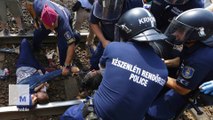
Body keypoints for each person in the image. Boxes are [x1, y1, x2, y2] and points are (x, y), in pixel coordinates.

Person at [61, 8, 168, 120]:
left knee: (69, 115)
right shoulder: (163, 71)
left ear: (127, 31)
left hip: (96, 115)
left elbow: (103, 70)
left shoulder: (114, 48)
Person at [145, 8, 213, 119]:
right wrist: (163, 63)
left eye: (182, 31)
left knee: (154, 113)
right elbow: (181, 60)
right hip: (190, 75)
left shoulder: (200, 59)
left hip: (192, 89)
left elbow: (182, 89)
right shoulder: (194, 43)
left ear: (197, 34)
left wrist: (156, 75)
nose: (175, 33)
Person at [89, 0, 144, 70]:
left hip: (127, 43)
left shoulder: (135, 3)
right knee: (95, 62)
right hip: (107, 39)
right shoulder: (99, 3)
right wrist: (103, 41)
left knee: (123, 67)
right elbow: (93, 23)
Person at [32, 0, 81, 76]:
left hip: (65, 15)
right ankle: (36, 48)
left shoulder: (64, 27)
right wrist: (36, 20)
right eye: (47, 26)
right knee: (38, 34)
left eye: (51, 27)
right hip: (48, 21)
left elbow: (71, 45)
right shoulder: (39, 5)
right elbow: (33, 9)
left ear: (55, 21)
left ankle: (63, 64)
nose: (50, 29)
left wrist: (66, 65)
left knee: (63, 45)